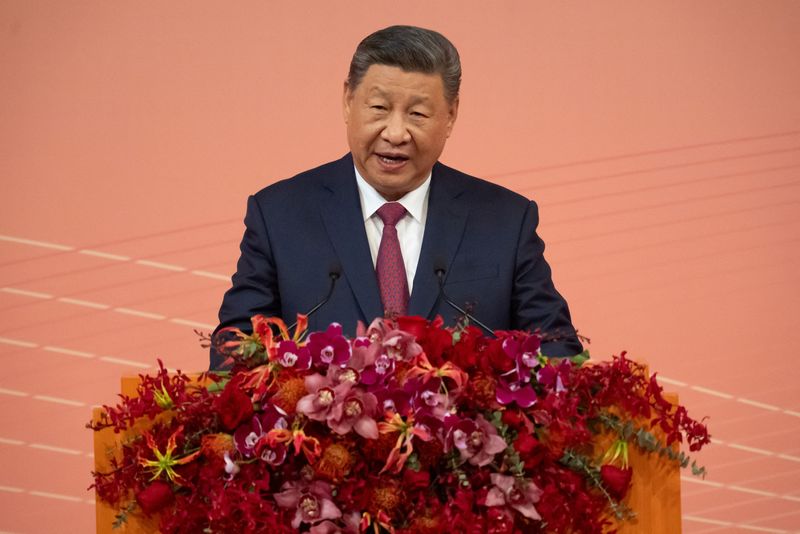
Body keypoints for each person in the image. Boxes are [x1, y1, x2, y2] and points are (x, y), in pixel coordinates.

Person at [211, 25, 581, 369]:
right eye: (379, 108)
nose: (396, 132)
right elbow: (234, 352)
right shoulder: (279, 216)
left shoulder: (506, 221)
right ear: (347, 100)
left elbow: (558, 351)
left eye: (418, 113)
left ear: (450, 116)